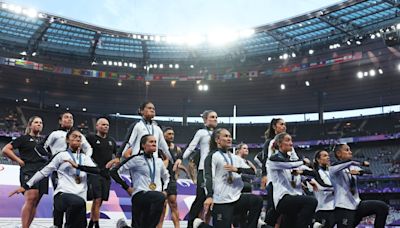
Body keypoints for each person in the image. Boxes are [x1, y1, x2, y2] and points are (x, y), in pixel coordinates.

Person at [9, 129, 100, 228]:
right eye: (74, 136)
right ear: (67, 140)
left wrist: (78, 166)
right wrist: (26, 185)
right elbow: (43, 172)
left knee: (81, 221)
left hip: (80, 200)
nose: (77, 138)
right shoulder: (61, 156)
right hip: (62, 195)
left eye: (79, 137)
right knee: (77, 203)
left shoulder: (85, 158)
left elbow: (97, 171)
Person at [35, 112, 93, 227]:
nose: (69, 119)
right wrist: (52, 159)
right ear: (60, 121)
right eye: (66, 117)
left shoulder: (78, 135)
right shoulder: (55, 134)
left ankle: (70, 224)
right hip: (60, 171)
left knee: (76, 199)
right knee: (61, 197)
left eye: (71, 117)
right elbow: (39, 147)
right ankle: (57, 224)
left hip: (77, 171)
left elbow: (88, 148)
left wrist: (85, 160)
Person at [196, 128, 263, 228]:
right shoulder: (212, 156)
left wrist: (237, 169)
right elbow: (209, 177)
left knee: (257, 201)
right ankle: (200, 225)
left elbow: (253, 172)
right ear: (217, 140)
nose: (229, 139)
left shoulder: (235, 158)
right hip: (221, 201)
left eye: (230, 136)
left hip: (237, 198)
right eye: (225, 136)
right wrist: (209, 196)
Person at [110, 134, 170, 228]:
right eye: (151, 142)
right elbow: (114, 172)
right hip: (140, 195)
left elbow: (167, 177)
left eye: (155, 142)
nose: (154, 144)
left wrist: (165, 190)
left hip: (156, 195)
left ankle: (123, 226)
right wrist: (127, 187)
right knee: (160, 198)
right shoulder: (136, 159)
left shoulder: (158, 161)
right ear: (143, 145)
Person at [2, 116, 49, 228]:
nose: (39, 124)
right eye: (36, 122)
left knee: (35, 202)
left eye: (41, 122)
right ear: (30, 125)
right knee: (31, 198)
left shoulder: (44, 142)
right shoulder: (23, 138)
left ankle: (27, 226)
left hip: (42, 172)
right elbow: (5, 150)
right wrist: (18, 160)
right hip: (28, 170)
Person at [330, 143, 389, 228]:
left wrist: (360, 172)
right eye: (347, 150)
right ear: (339, 153)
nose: (350, 152)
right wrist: (360, 163)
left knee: (382, 207)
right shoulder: (334, 169)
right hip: (344, 207)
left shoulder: (352, 167)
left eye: (350, 150)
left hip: (357, 205)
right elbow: (349, 163)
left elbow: (369, 172)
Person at [266, 132, 317, 228]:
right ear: (279, 143)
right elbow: (288, 164)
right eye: (288, 140)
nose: (291, 143)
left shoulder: (293, 162)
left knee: (289, 223)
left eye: (291, 140)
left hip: (295, 198)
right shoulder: (273, 159)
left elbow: (313, 173)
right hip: (283, 198)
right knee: (311, 202)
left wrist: (302, 172)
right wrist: (303, 162)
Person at [181, 110, 218, 228]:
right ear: (205, 119)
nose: (215, 119)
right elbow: (191, 147)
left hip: (217, 171)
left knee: (214, 199)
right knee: (201, 198)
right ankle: (190, 224)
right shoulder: (201, 132)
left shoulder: (219, 134)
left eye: (216, 117)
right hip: (204, 170)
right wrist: (180, 159)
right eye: (212, 117)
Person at [86, 118, 117, 228]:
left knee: (101, 200)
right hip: (94, 173)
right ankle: (96, 224)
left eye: (107, 125)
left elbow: (118, 157)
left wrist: (113, 161)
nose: (106, 127)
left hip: (106, 175)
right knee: (97, 198)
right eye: (103, 125)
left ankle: (91, 222)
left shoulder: (112, 141)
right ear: (97, 126)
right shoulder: (90, 138)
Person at [157, 127, 183, 228]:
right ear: (163, 135)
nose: (171, 136)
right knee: (162, 206)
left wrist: (178, 172)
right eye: (169, 134)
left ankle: (177, 226)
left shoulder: (177, 149)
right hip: (160, 180)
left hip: (171, 180)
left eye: (172, 134)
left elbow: (178, 162)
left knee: (174, 204)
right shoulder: (158, 149)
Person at [311, 150, 335, 228]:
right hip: (323, 208)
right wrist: (336, 188)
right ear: (318, 159)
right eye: (324, 156)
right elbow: (322, 187)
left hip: (334, 207)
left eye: (328, 155)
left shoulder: (331, 172)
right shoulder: (316, 173)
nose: (328, 157)